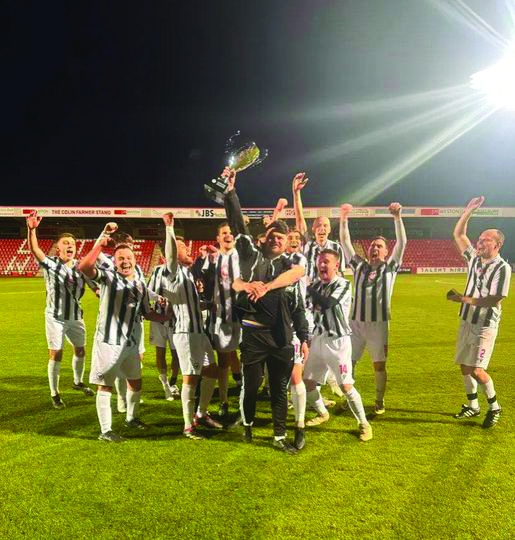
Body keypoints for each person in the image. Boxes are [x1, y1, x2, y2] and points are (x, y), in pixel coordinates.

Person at [223, 168, 308, 454]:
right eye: (272, 236)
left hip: (281, 338)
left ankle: (279, 436)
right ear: (264, 238)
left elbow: (297, 302)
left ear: (286, 244)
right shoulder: (250, 253)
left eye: (281, 239)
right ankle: (247, 425)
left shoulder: (290, 267)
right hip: (254, 336)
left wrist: (304, 336)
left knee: (279, 388)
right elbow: (237, 225)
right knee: (251, 385)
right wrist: (231, 192)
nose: (276, 240)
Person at [78, 228, 168, 442]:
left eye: (129, 258)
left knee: (135, 382)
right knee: (105, 384)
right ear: (115, 261)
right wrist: (101, 242)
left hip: (131, 343)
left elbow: (147, 313)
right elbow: (84, 267)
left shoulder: (139, 284)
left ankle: (131, 418)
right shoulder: (108, 277)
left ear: (135, 260)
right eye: (121, 258)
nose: (125, 262)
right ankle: (106, 430)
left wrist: (167, 314)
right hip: (108, 341)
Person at [447, 196, 510, 428]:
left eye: (486, 240)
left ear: (497, 245)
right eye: (480, 239)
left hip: (485, 324)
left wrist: (462, 298)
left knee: (477, 369)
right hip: (466, 321)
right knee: (465, 366)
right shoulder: (474, 259)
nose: (480, 243)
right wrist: (469, 211)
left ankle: (494, 407)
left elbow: (494, 299)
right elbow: (459, 235)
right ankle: (473, 406)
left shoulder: (502, 268)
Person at [339, 202, 407, 414]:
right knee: (349, 362)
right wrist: (343, 218)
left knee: (379, 365)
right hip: (356, 324)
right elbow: (344, 241)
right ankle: (348, 397)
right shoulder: (359, 265)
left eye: (379, 246)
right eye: (372, 245)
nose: (374, 247)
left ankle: (379, 401)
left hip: (378, 325)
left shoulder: (391, 267)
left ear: (387, 251)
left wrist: (397, 218)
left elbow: (402, 243)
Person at [162, 213, 222, 440]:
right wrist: (169, 229)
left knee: (212, 372)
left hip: (200, 332)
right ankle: (188, 426)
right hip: (187, 333)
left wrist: (207, 303)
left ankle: (201, 413)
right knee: (191, 378)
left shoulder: (189, 273)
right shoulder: (173, 273)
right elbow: (170, 257)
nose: (185, 249)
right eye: (180, 248)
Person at [26, 211, 94, 409]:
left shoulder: (82, 267)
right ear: (57, 249)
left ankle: (77, 381)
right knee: (56, 354)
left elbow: (95, 286)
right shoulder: (50, 264)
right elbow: (35, 249)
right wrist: (32, 230)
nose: (69, 246)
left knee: (80, 350)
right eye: (65, 243)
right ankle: (55, 393)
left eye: (72, 243)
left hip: (75, 316)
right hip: (55, 317)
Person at [303, 249, 373, 442]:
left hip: (338, 342)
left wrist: (307, 288)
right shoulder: (316, 285)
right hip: (318, 338)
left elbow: (328, 303)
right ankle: (322, 413)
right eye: (320, 262)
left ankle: (364, 424)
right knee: (307, 382)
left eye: (326, 262)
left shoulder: (343, 284)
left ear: (336, 265)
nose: (322, 265)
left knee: (346, 386)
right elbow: (307, 307)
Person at [293, 172, 345, 399]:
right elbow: (299, 220)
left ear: (329, 229)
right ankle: (305, 388)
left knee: (325, 344)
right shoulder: (308, 244)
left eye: (325, 225)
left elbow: (340, 275)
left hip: (326, 303)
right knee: (309, 344)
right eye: (318, 225)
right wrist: (296, 193)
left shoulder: (336, 247)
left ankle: (326, 384)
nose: (321, 228)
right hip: (307, 303)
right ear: (313, 229)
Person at [198, 223, 242, 418]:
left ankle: (245, 397)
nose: (228, 235)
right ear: (217, 238)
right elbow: (205, 282)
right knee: (224, 360)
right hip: (223, 318)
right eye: (224, 233)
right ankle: (224, 400)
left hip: (245, 316)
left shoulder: (243, 255)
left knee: (251, 359)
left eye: (231, 233)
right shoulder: (213, 260)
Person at [147, 258, 181, 401]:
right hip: (158, 319)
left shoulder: (183, 271)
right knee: (160, 351)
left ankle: (173, 382)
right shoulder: (156, 271)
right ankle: (165, 384)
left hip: (177, 320)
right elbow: (147, 291)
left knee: (176, 353)